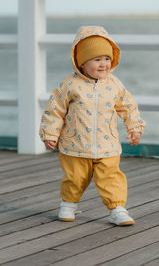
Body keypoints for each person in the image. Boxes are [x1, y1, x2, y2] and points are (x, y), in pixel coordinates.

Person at [39, 26, 145, 226]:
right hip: (75, 144)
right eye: (97, 60)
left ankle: (117, 209)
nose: (103, 64)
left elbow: (128, 106)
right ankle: (68, 204)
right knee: (75, 178)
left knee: (111, 177)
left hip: (108, 145)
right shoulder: (69, 85)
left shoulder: (114, 84)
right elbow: (55, 110)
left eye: (106, 58)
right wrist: (49, 133)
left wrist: (135, 127)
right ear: (82, 63)